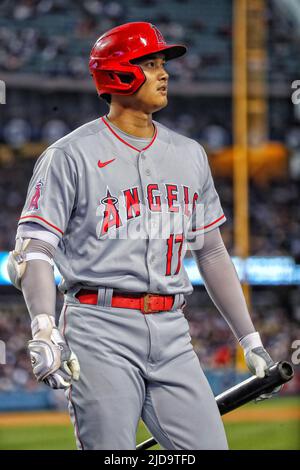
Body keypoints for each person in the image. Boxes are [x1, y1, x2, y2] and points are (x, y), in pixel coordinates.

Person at [8, 22, 279, 450]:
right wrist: (43, 326)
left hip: (173, 328)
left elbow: (210, 253)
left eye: (162, 64)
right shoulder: (69, 155)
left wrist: (251, 340)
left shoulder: (190, 155)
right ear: (117, 73)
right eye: (150, 64)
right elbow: (33, 250)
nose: (163, 73)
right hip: (99, 327)